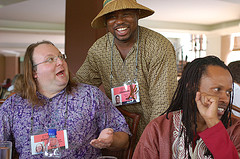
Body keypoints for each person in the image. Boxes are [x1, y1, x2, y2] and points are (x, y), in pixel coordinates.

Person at [0, 41, 131, 159]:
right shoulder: (14, 105)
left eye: (61, 57)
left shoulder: (90, 96)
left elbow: (124, 139)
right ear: (34, 72)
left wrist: (111, 140)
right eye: (50, 59)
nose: (60, 62)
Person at [74, 0, 177, 141]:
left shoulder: (158, 46)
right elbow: (79, 86)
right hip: (117, 130)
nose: (119, 21)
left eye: (126, 14)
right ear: (105, 21)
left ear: (137, 14)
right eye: (112, 16)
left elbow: (162, 103)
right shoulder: (99, 49)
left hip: (154, 127)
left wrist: (150, 141)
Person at [133, 56, 240, 158]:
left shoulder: (236, 129)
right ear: (192, 87)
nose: (225, 99)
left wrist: (213, 122)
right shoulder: (159, 128)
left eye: (228, 92)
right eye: (217, 89)